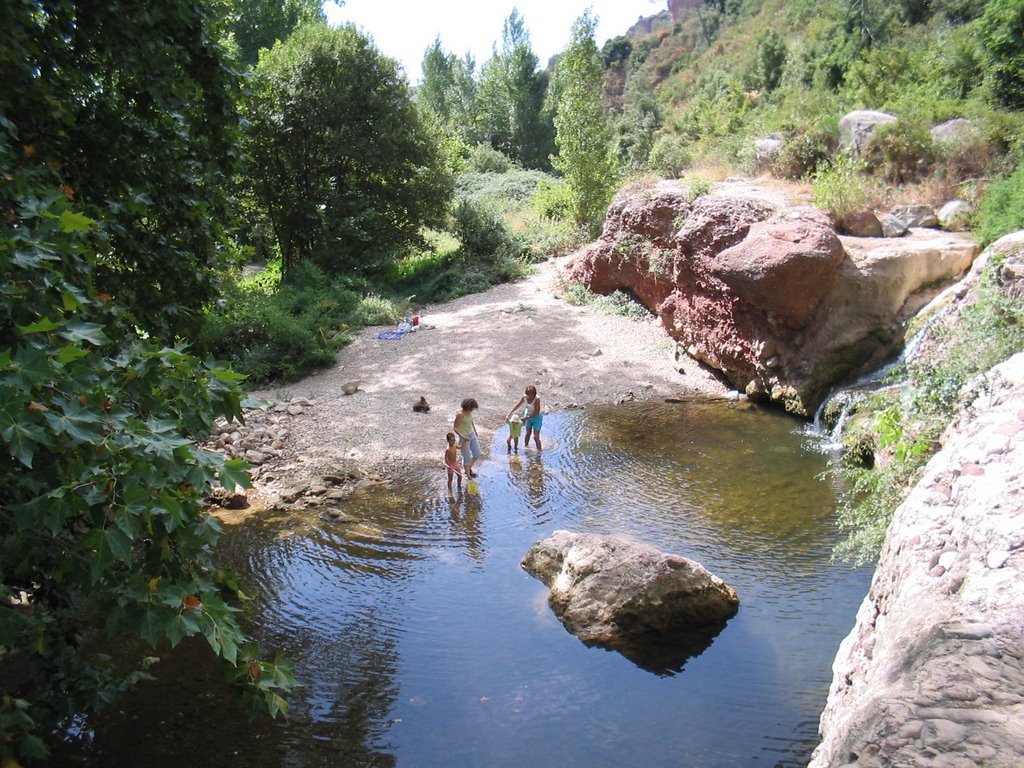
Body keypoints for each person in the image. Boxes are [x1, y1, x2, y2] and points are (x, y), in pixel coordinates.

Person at [507, 385, 542, 451]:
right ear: (526, 393)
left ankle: (539, 453)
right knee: (527, 433)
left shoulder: (537, 399)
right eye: (528, 394)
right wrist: (510, 413)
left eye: (532, 394)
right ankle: (526, 447)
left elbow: (536, 412)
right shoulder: (524, 397)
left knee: (536, 437)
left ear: (534, 393)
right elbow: (518, 405)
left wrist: (525, 418)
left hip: (537, 417)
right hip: (528, 414)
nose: (530, 395)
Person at [453, 398, 482, 476]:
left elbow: (471, 421)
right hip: (464, 438)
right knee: (467, 457)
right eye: (472, 408)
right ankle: (468, 476)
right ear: (468, 407)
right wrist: (463, 436)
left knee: (477, 453)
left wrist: (475, 431)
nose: (472, 410)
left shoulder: (469, 413)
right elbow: (455, 427)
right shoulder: (460, 415)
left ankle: (468, 469)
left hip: (472, 434)